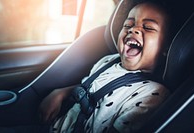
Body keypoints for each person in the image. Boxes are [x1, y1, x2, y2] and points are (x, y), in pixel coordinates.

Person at [39, 1, 172, 133]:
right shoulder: (108, 60)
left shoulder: (153, 94)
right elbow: (89, 88)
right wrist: (61, 93)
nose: (133, 29)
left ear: (166, 47)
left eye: (148, 27)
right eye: (128, 25)